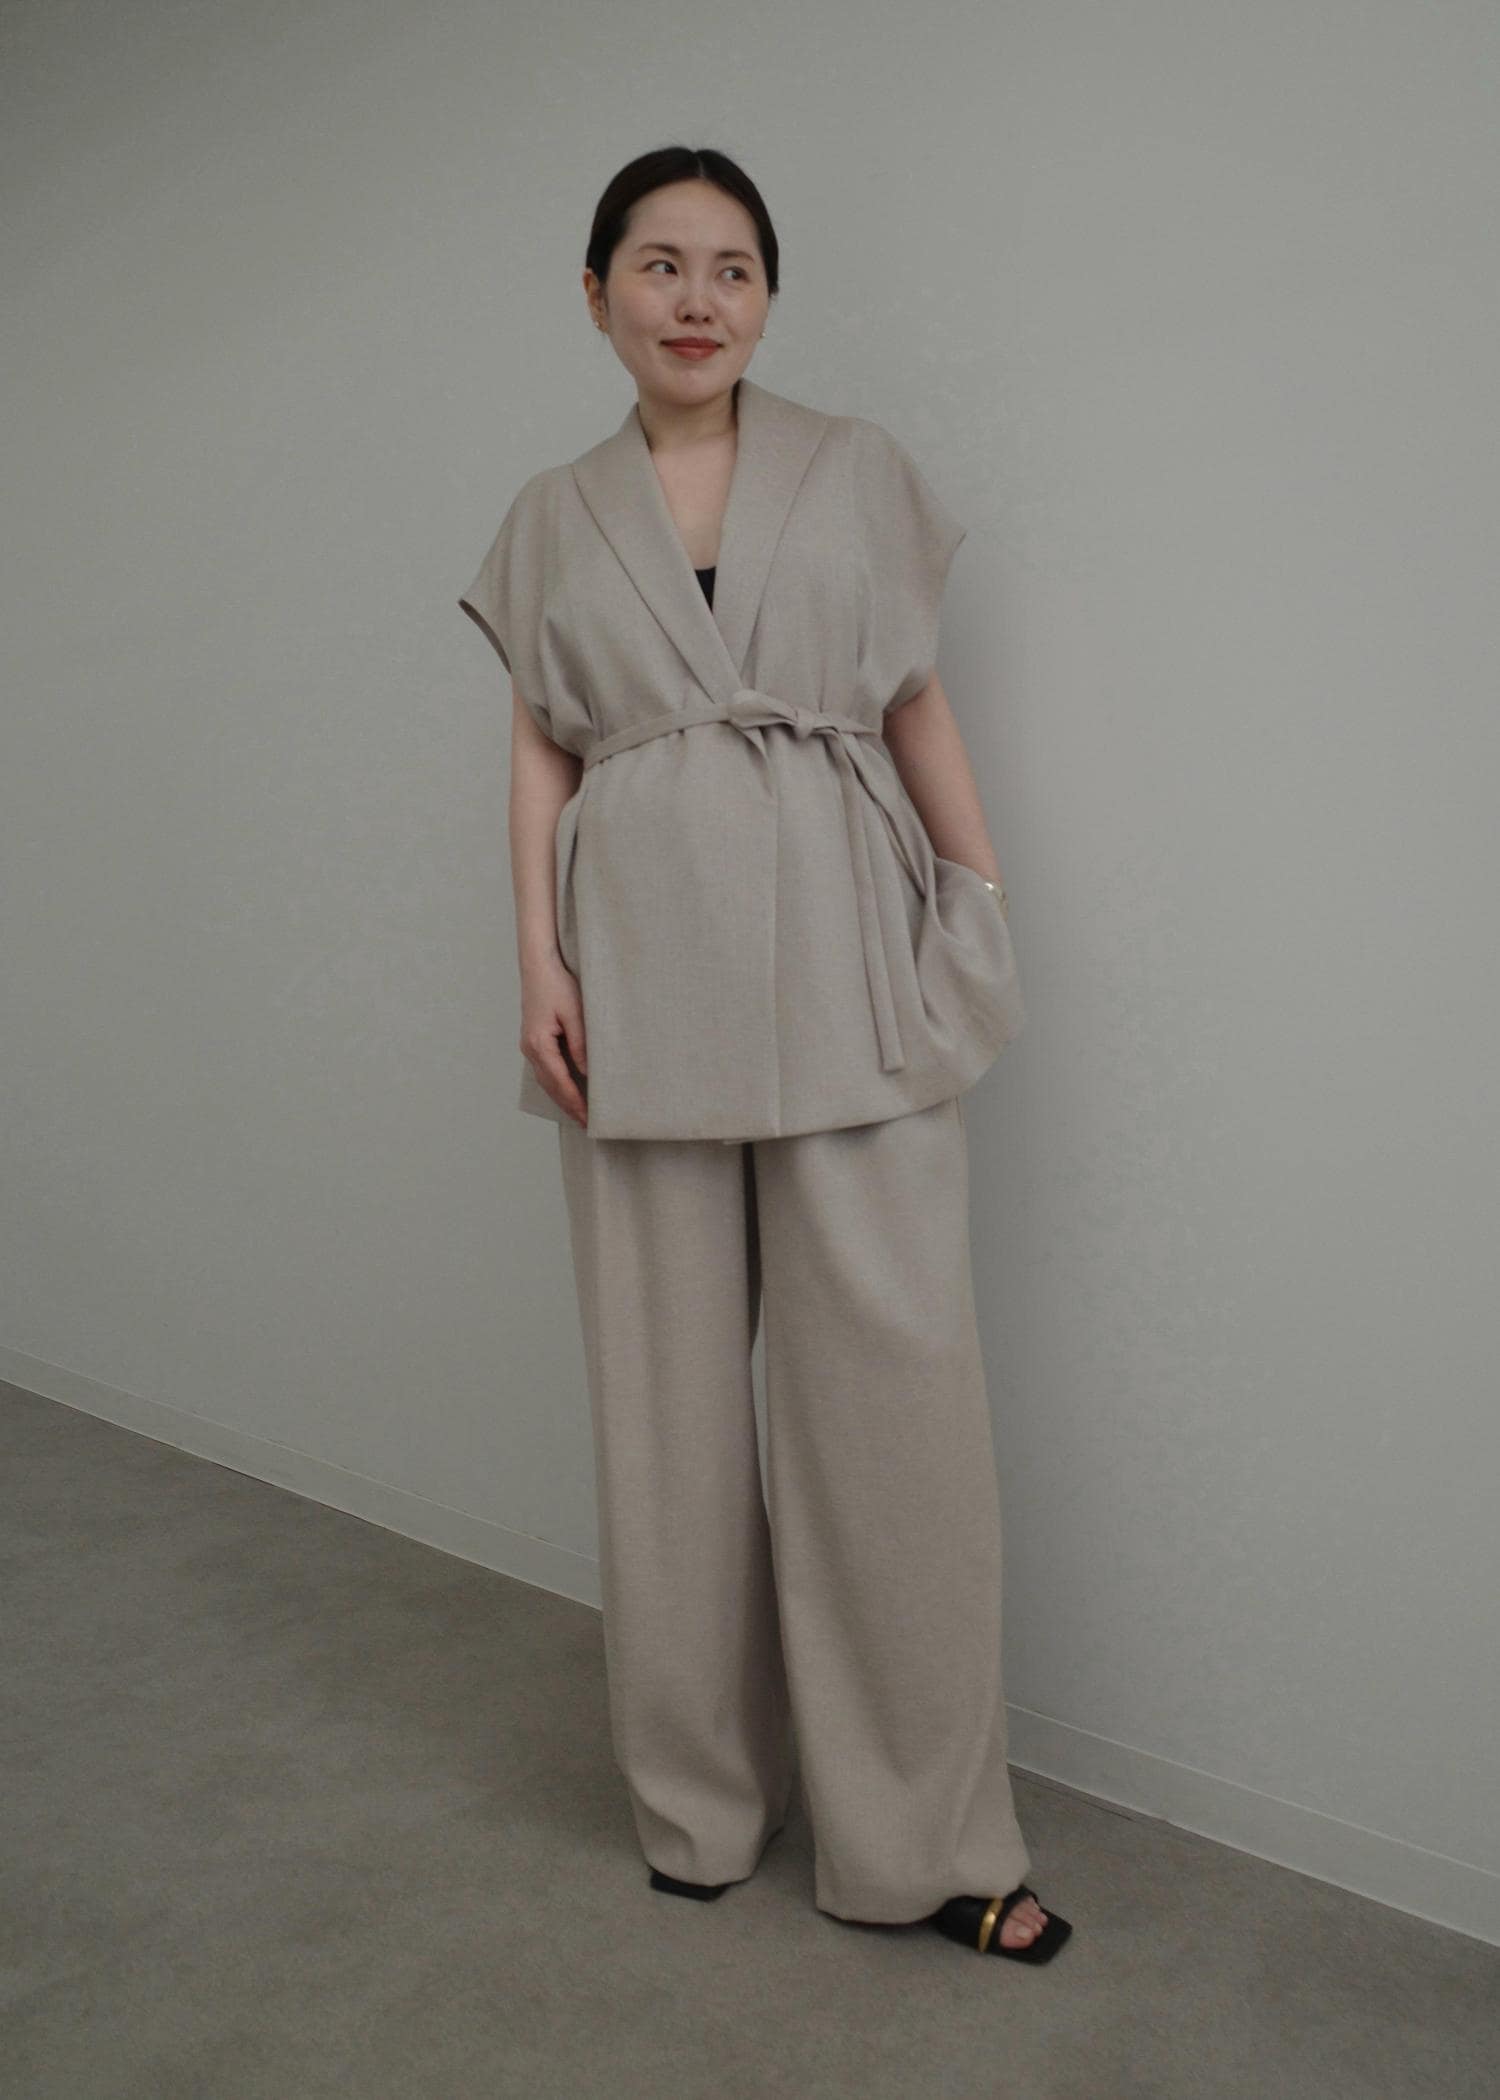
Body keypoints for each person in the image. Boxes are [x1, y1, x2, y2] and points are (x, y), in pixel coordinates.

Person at [458, 144, 1071, 1964]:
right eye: (659, 264)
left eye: (733, 267)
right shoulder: (551, 513)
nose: (698, 298)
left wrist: (977, 901)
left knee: (894, 1414)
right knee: (665, 1420)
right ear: (595, 294)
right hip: (639, 972)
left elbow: (914, 698)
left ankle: (927, 1842)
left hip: (853, 960)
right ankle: (701, 1803)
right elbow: (540, 745)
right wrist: (537, 957)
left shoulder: (857, 467)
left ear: (769, 299)